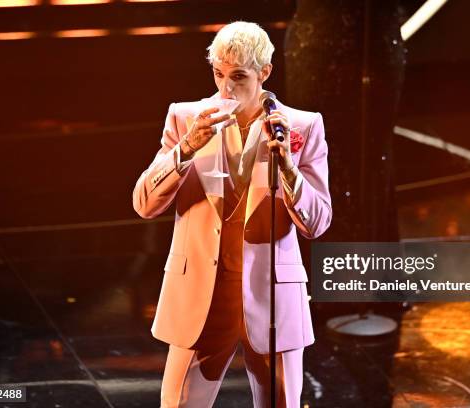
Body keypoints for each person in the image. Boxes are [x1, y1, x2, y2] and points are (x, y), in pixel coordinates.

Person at [132, 21, 331, 408]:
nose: (226, 88)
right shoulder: (185, 118)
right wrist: (185, 149)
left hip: (273, 297)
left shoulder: (303, 126)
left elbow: (318, 222)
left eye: (238, 77)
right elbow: (144, 203)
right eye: (219, 74)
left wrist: (289, 169)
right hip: (202, 296)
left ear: (265, 73)